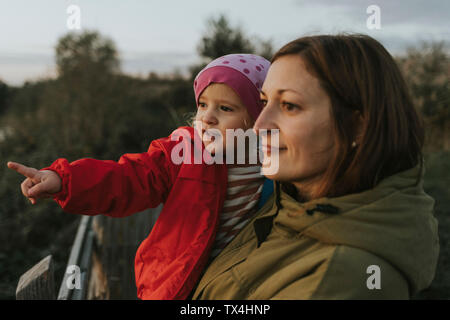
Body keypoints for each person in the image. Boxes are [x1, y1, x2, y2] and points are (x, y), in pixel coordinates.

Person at [189, 34, 440, 299]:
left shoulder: (341, 280)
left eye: (289, 105)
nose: (260, 125)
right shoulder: (283, 203)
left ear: (358, 126)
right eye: (264, 102)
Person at [7, 53, 273, 300]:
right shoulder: (183, 153)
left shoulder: (278, 164)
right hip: (182, 283)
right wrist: (65, 181)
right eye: (203, 105)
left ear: (257, 118)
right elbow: (128, 178)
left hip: (245, 285)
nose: (207, 117)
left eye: (225, 109)